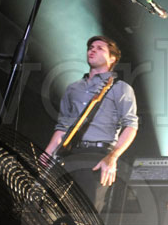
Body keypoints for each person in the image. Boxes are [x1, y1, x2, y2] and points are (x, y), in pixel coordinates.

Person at [44, 36, 138, 213]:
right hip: (68, 155)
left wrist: (112, 157)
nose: (92, 50)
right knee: (55, 212)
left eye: (100, 48)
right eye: (91, 47)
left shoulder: (121, 88)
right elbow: (63, 126)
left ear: (112, 59)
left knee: (84, 217)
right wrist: (46, 156)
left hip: (97, 157)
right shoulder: (73, 88)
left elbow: (131, 125)